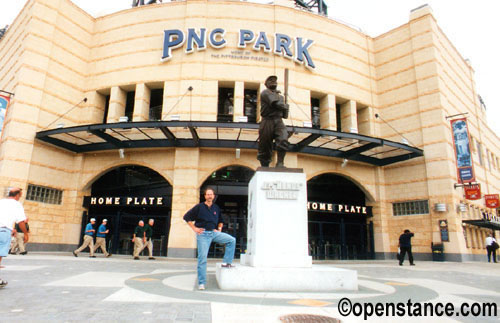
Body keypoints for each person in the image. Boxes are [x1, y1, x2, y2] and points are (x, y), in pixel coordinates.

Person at [183, 187, 236, 290]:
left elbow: (221, 220)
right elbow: (186, 217)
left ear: (213, 196)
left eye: (211, 194)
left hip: (213, 232)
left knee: (231, 240)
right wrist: (194, 228)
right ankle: (201, 282)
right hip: (202, 234)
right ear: (205, 196)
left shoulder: (216, 208)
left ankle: (226, 262)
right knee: (202, 259)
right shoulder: (199, 207)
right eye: (208, 194)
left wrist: (219, 229)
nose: (209, 196)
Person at [257, 75, 289, 168]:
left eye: (275, 80)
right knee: (265, 145)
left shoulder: (281, 97)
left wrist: (286, 108)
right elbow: (276, 104)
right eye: (270, 80)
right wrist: (284, 106)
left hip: (278, 120)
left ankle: (280, 163)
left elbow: (284, 116)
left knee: (283, 139)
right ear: (266, 84)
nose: (273, 81)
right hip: (268, 121)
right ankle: (264, 165)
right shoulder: (265, 92)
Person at [0, 187, 29, 288]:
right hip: (3, 231)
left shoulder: (1, 201)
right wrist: (26, 233)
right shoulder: (17, 205)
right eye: (20, 195)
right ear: (17, 195)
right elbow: (21, 221)